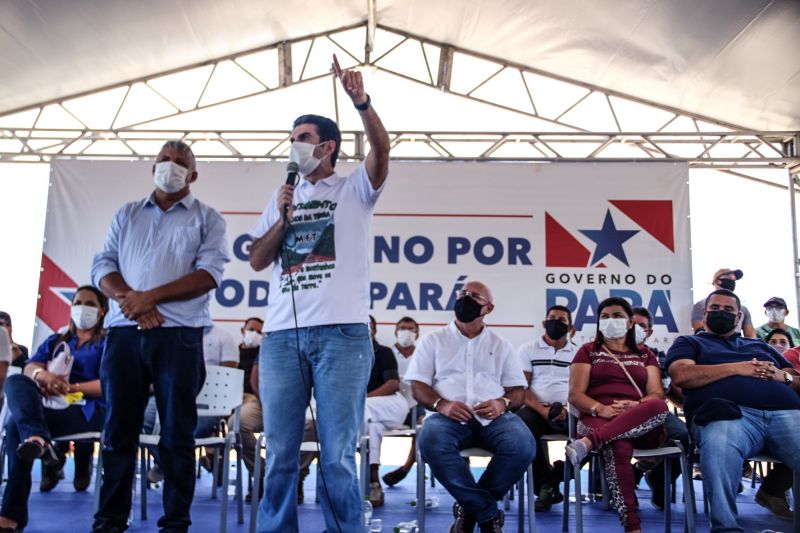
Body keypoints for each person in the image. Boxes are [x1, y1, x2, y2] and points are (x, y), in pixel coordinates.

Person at [247, 54, 390, 533]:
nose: (295, 146)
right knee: (282, 452)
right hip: (283, 338)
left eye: (303, 139)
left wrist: (362, 104)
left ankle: (345, 529)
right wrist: (283, 219)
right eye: (291, 139)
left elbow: (382, 150)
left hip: (342, 337)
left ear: (327, 146)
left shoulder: (354, 189)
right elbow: (258, 259)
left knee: (336, 454)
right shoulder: (280, 195)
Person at [90, 140, 229, 533]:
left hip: (179, 338)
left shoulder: (208, 219)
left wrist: (149, 298)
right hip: (123, 333)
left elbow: (208, 276)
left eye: (180, 163)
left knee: (176, 434)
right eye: (164, 160)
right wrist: (128, 300)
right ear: (152, 167)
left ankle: (175, 523)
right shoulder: (128, 213)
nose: (171, 167)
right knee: (118, 431)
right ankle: (110, 519)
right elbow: (103, 263)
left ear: (193, 175)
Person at [666, 288, 800, 530]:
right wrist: (739, 368)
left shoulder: (760, 346)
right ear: (705, 314)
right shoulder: (690, 342)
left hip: (785, 415)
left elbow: (796, 378)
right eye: (715, 309)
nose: (722, 313)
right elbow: (682, 376)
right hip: (729, 416)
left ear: (739, 317)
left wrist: (784, 377)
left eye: (729, 310)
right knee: (719, 443)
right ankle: (726, 528)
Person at [406, 281, 534, 533]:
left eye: (474, 296)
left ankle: (469, 510)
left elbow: (518, 391)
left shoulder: (501, 345)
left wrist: (502, 403)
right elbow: (418, 386)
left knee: (523, 445)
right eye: (462, 294)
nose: (466, 298)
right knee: (430, 440)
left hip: (495, 418)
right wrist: (441, 404)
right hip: (447, 418)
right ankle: (486, 513)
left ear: (489, 308)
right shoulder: (433, 340)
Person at [0, 286, 108, 533]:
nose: (82, 308)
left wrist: (69, 387)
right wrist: (44, 375)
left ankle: (10, 516)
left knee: (16, 425)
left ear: (102, 310)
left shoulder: (108, 343)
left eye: (90, 304)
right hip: (49, 406)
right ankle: (38, 437)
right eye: (78, 302)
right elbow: (30, 367)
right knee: (17, 381)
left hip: (87, 410)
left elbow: (109, 383)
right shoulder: (58, 340)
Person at [566, 297, 668, 533]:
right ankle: (632, 526)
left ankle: (590, 442)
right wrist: (600, 409)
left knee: (659, 407)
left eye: (618, 316)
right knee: (618, 447)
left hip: (638, 417)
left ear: (631, 322)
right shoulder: (587, 351)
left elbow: (656, 394)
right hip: (596, 415)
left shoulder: (645, 355)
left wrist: (635, 406)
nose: (611, 321)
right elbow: (575, 394)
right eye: (605, 317)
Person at [142, 324, 239, 483]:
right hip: (167, 394)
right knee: (141, 420)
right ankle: (170, 465)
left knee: (180, 430)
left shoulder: (224, 337)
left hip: (208, 404)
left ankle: (168, 466)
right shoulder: (169, 334)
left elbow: (228, 378)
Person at [515, 304, 576, 512]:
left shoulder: (578, 354)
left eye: (562, 320)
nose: (555, 323)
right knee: (521, 428)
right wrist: (543, 410)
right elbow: (522, 387)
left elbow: (581, 387)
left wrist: (568, 408)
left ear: (570, 327)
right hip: (535, 410)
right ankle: (544, 486)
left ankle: (557, 475)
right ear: (544, 323)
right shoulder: (527, 349)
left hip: (570, 410)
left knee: (594, 433)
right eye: (552, 318)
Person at [631, 306, 690, 510]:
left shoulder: (658, 356)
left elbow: (669, 390)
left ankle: (659, 480)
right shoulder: (609, 353)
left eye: (642, 326)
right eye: (632, 324)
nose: (636, 329)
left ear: (649, 332)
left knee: (683, 435)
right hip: (620, 412)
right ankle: (621, 484)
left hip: (655, 411)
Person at [364, 315, 408, 507]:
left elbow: (392, 384)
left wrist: (362, 400)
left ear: (374, 330)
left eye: (369, 326)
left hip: (391, 405)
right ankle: (373, 480)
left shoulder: (383, 352)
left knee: (360, 409)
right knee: (373, 427)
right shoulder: (345, 355)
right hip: (368, 416)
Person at [381, 316, 420, 488]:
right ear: (396, 332)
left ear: (417, 334)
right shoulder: (386, 355)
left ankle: (405, 468)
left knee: (423, 425)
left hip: (416, 406)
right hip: (389, 405)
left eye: (411, 329)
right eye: (403, 328)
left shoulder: (422, 355)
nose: (407, 332)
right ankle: (371, 475)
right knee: (370, 423)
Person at [690, 269, 756, 338]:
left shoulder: (743, 309)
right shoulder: (701, 305)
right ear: (717, 281)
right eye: (728, 279)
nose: (731, 283)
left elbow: (751, 336)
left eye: (733, 281)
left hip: (735, 346)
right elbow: (698, 329)